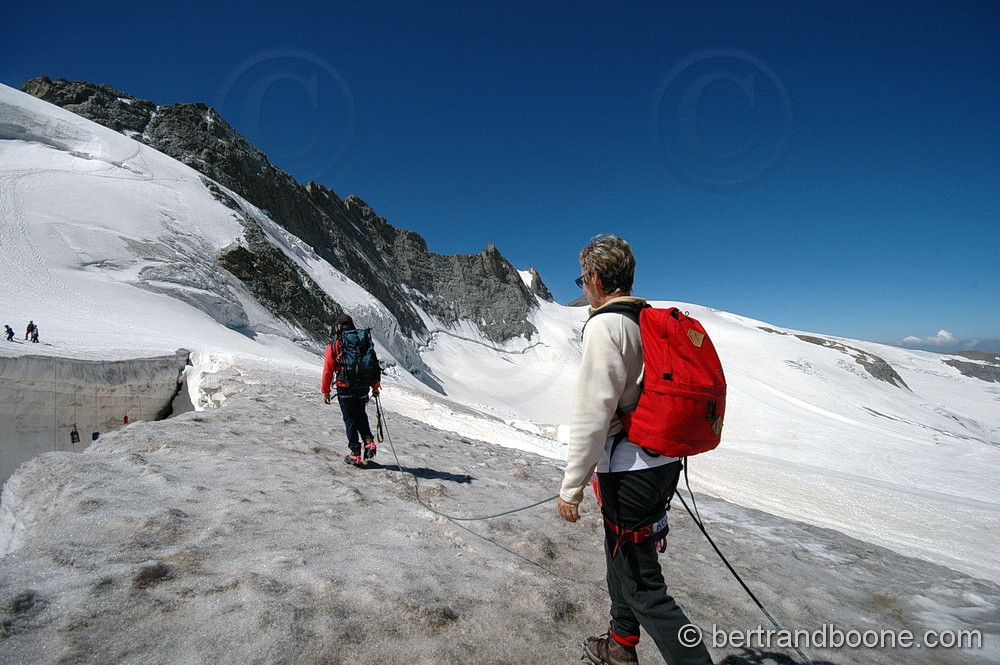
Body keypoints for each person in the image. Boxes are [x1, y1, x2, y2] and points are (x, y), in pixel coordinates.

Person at [557, 235, 713, 665]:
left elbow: (593, 411)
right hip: (659, 462)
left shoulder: (606, 325)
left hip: (629, 472)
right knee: (621, 559)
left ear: (593, 278)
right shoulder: (645, 320)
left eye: (582, 280)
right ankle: (621, 645)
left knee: (645, 588)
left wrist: (571, 487)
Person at [321, 313, 381, 465]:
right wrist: (375, 387)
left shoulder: (336, 342)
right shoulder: (363, 339)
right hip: (363, 386)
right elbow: (372, 362)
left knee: (350, 419)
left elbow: (328, 369)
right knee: (361, 414)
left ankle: (355, 453)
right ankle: (369, 442)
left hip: (345, 386)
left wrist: (326, 391)